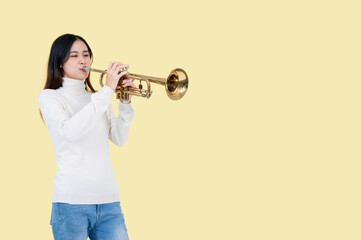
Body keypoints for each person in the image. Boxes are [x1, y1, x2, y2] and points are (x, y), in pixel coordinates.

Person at [38, 33, 136, 240]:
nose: (83, 60)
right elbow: (70, 132)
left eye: (86, 54)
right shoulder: (49, 97)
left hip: (109, 203)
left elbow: (119, 138)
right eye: (74, 56)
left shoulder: (97, 98)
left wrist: (125, 103)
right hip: (71, 205)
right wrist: (107, 89)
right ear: (60, 63)